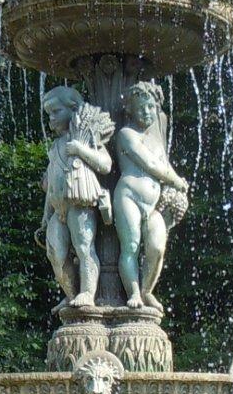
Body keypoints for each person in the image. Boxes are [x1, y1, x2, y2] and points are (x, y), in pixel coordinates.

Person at [113, 80, 189, 312]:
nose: (147, 112)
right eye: (141, 108)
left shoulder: (157, 138)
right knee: (132, 244)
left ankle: (147, 290)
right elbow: (148, 162)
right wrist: (175, 180)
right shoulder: (126, 134)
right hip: (128, 194)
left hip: (154, 203)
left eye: (151, 108)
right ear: (131, 111)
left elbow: (164, 163)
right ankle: (133, 293)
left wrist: (180, 181)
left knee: (157, 247)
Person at [38, 85, 113, 309]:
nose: (51, 119)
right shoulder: (55, 146)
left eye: (55, 112)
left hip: (80, 202)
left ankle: (88, 293)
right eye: (49, 114)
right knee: (56, 255)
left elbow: (106, 165)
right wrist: (45, 215)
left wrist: (81, 150)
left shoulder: (87, 136)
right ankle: (71, 295)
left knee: (84, 247)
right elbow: (50, 183)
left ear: (74, 109)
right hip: (57, 207)